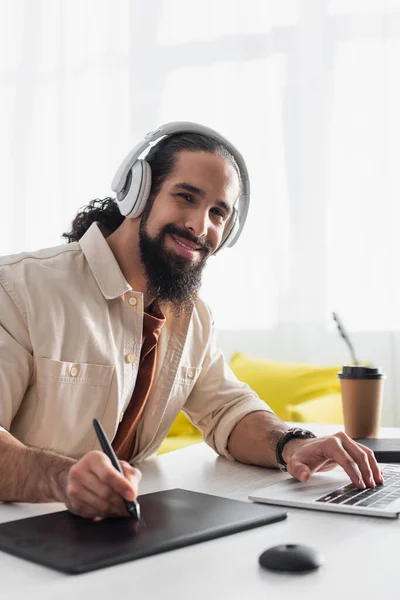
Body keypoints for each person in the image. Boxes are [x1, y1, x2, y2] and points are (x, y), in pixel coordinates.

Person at [0, 122, 382, 520]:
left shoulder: (192, 316)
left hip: (118, 534)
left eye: (218, 212)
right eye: (186, 197)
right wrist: (61, 478)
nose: (201, 227)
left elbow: (227, 410)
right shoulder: (17, 289)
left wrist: (291, 445)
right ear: (136, 195)